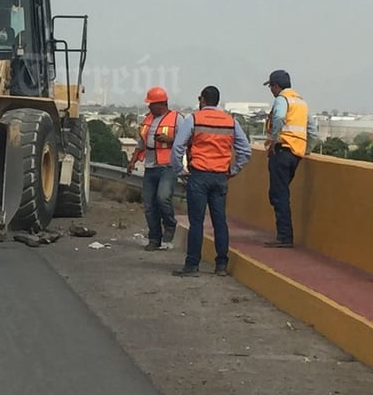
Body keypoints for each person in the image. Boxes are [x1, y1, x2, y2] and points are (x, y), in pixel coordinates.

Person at [170, 85, 252, 277]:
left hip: (198, 175)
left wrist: (179, 170)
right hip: (220, 176)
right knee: (219, 221)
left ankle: (192, 265)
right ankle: (221, 265)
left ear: (203, 100)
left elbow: (177, 148)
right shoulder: (230, 121)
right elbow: (245, 151)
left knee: (196, 222)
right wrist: (233, 170)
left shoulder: (194, 119)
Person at [263, 69, 316, 248]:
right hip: (296, 154)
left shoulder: (282, 99)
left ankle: (284, 236)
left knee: (279, 195)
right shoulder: (301, 102)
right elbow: (312, 131)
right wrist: (307, 150)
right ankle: (284, 234)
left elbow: (278, 117)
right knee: (279, 192)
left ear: (276, 86)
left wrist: (273, 140)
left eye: (271, 86)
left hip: (282, 150)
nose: (271, 90)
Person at [127, 86, 180, 251]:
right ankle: (154, 238)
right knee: (150, 205)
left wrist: (169, 139)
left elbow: (186, 140)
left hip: (167, 166)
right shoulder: (147, 120)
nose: (149, 107)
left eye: (151, 104)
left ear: (161, 104)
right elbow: (141, 143)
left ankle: (170, 225)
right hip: (150, 167)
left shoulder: (177, 119)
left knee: (163, 198)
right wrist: (133, 160)